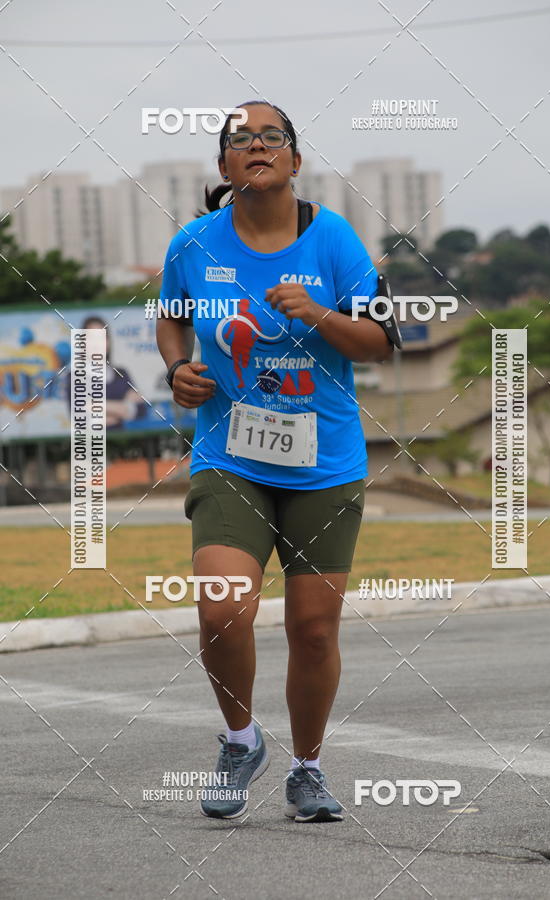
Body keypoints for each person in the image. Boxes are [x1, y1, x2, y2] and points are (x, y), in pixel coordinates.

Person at [156, 100, 395, 823]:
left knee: (314, 629)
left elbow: (382, 342)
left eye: (272, 137)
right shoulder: (194, 245)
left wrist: (319, 315)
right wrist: (179, 370)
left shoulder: (335, 244)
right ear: (225, 166)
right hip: (231, 456)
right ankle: (239, 741)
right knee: (223, 608)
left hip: (326, 463)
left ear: (294, 159)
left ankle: (308, 769)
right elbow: (171, 317)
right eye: (240, 140)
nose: (256, 146)